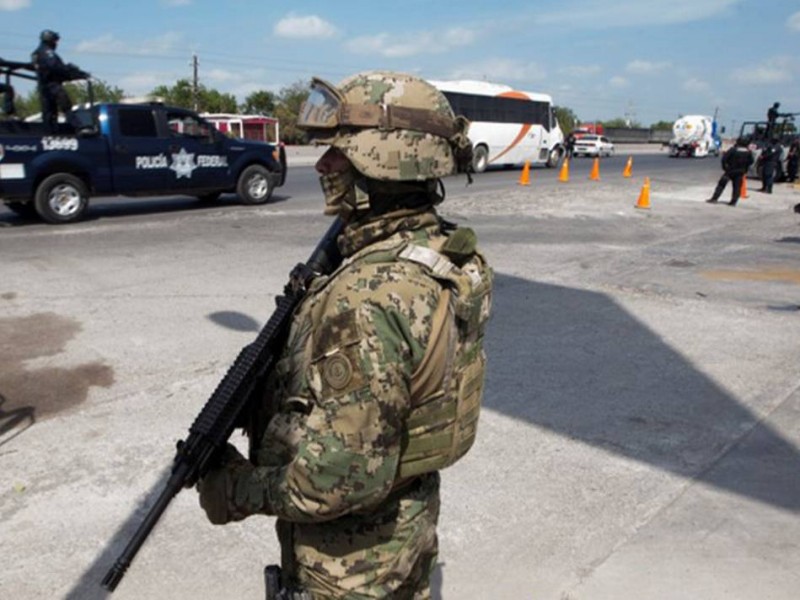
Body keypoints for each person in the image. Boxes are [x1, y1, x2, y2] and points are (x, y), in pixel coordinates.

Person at [196, 71, 493, 599]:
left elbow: (342, 475)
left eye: (342, 152)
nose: (326, 165)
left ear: (388, 162)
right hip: (404, 531)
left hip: (348, 568)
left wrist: (238, 489)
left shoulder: (368, 295)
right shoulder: (442, 251)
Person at [30, 30, 87, 132]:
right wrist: (71, 71)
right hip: (52, 85)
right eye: (54, 41)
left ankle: (50, 132)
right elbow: (56, 67)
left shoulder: (36, 53)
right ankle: (79, 127)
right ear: (49, 40)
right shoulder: (47, 52)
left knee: (49, 112)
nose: (56, 43)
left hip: (44, 86)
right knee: (65, 106)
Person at [706, 138, 754, 206]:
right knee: (737, 187)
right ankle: (733, 202)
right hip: (740, 172)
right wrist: (745, 168)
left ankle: (714, 198)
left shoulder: (733, 150)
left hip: (730, 171)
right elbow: (751, 161)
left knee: (721, 185)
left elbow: (724, 159)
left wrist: (725, 167)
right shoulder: (748, 152)